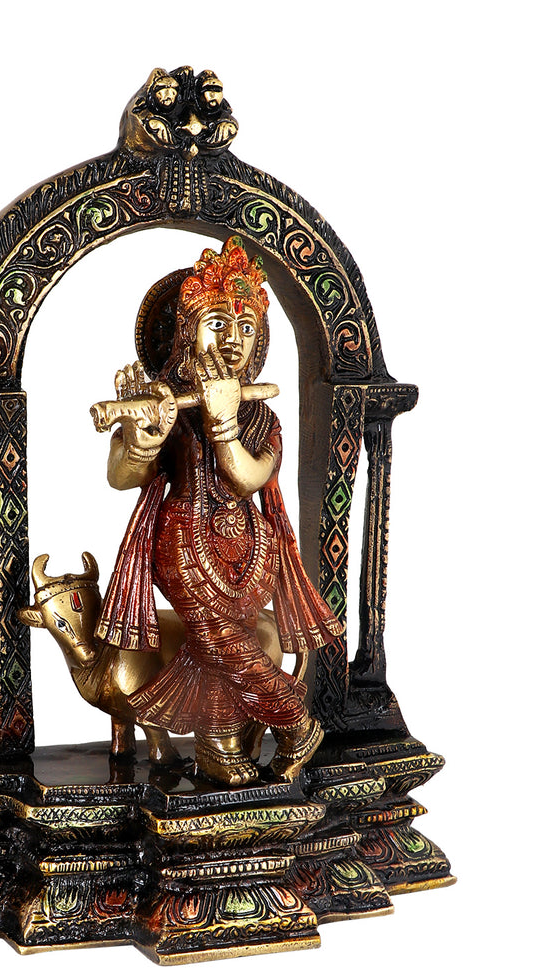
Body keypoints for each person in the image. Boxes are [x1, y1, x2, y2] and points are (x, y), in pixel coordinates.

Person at [96, 236, 342, 785]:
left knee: (221, 647)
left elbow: (249, 477)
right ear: (187, 332)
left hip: (254, 551)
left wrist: (225, 422)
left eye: (246, 327)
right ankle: (296, 722)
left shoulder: (262, 418)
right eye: (217, 324)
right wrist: (142, 440)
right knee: (217, 638)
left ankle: (220, 745)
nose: (233, 340)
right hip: (183, 547)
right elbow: (122, 477)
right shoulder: (167, 402)